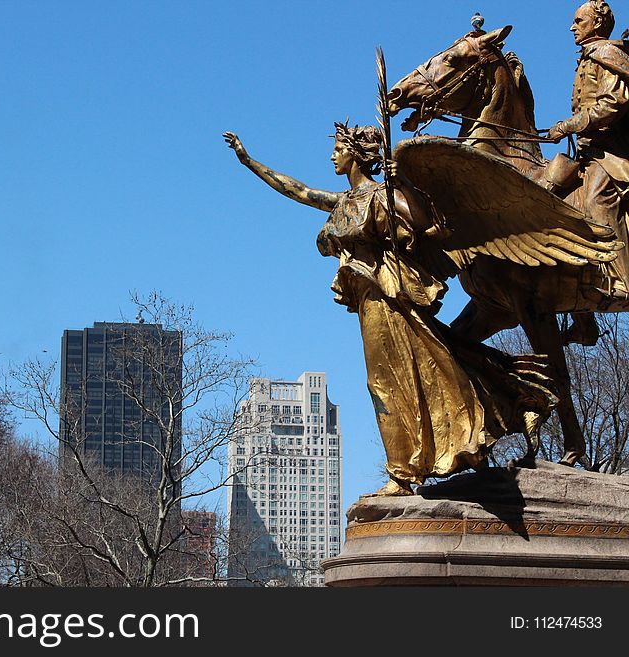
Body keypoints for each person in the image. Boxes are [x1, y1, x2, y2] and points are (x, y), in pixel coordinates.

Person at [223, 125, 556, 495]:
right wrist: (249, 160)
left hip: (389, 299)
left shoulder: (383, 196)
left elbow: (428, 226)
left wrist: (406, 187)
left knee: (391, 381)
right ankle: (490, 415)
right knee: (424, 371)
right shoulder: (345, 201)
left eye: (337, 149)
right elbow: (298, 191)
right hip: (368, 301)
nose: (332, 156)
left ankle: (404, 473)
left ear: (356, 155)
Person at [548, 0, 629, 349]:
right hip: (589, 152)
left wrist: (571, 124)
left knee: (597, 196)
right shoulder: (588, 56)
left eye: (578, 20)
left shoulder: (607, 53)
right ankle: (583, 318)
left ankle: (620, 280)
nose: (572, 27)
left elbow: (614, 103)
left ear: (596, 23)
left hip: (615, 153)